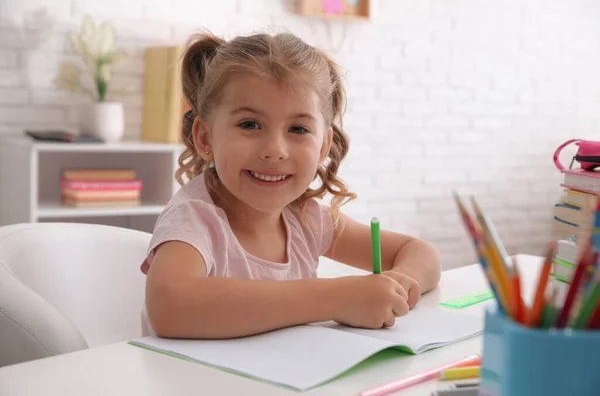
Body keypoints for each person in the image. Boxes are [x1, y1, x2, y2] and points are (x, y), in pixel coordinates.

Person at [140, 30, 442, 339]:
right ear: (205, 137)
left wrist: (398, 283)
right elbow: (171, 307)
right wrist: (336, 297)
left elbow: (420, 252)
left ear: (323, 147)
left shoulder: (307, 220)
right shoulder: (194, 218)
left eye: (297, 129)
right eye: (250, 124)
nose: (275, 149)